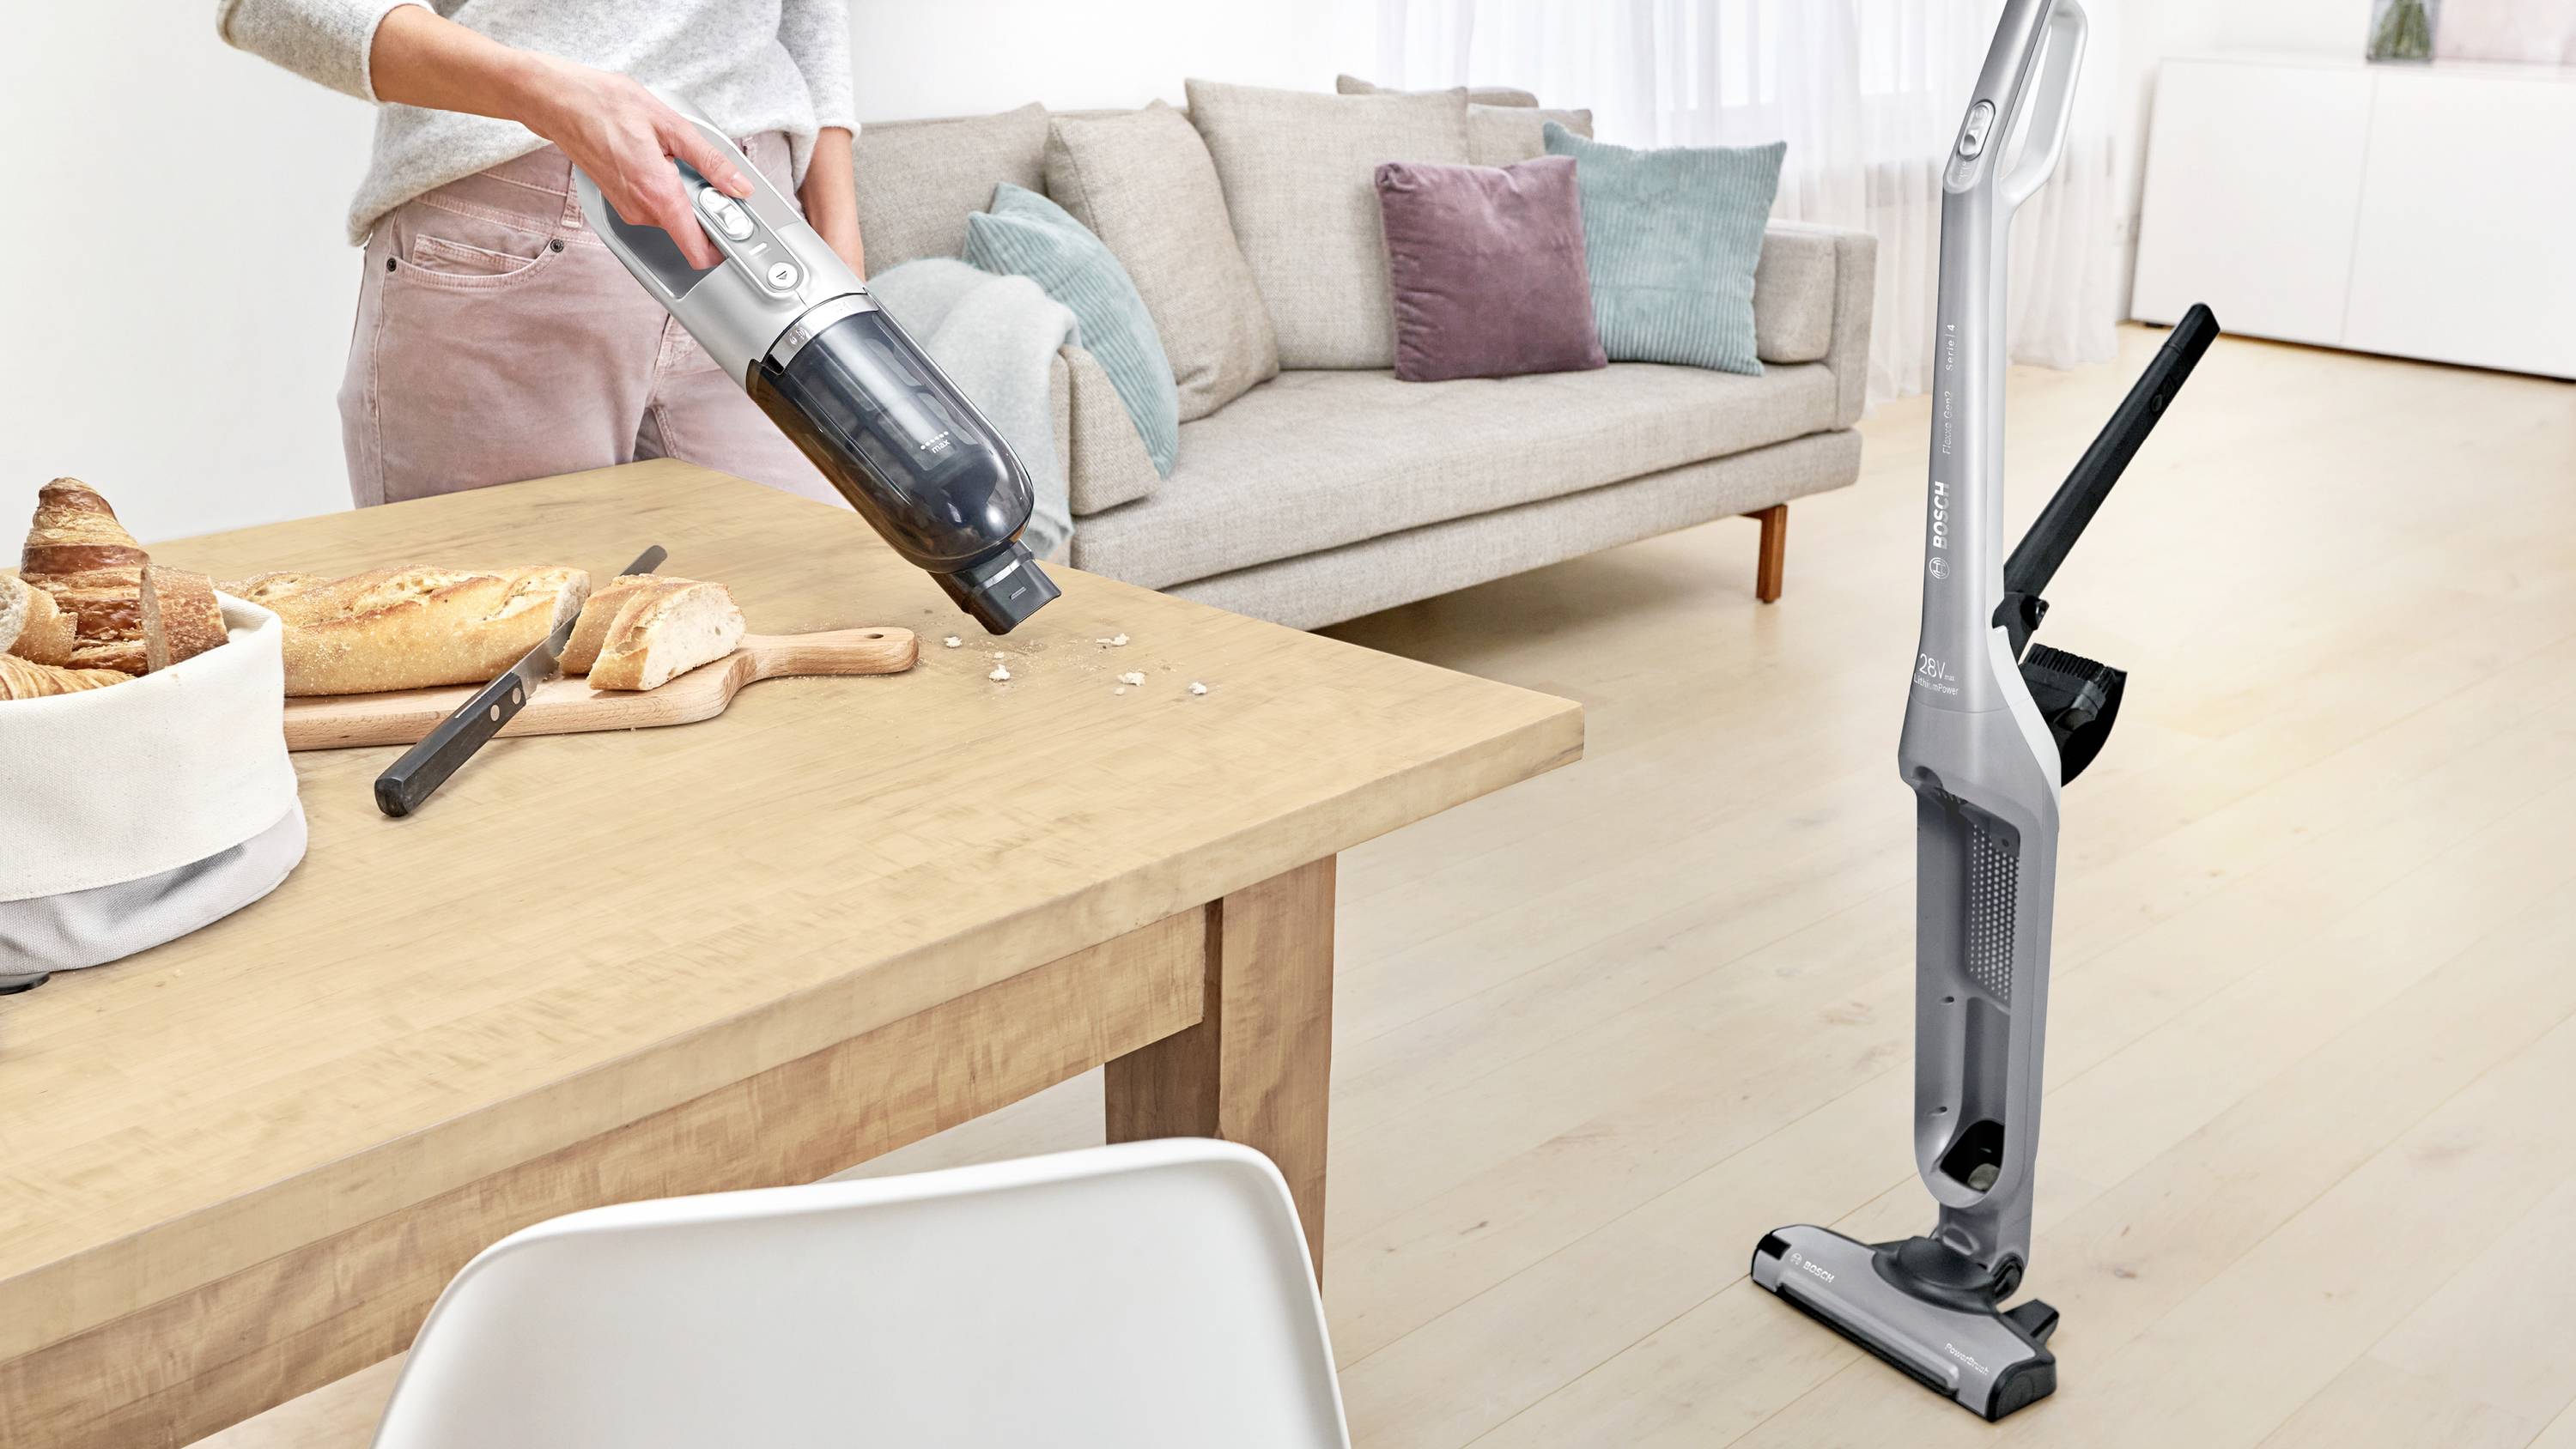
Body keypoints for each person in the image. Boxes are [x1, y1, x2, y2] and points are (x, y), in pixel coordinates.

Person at [218, 0, 860, 508]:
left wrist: (840, 256)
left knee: (807, 618)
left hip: (763, 248)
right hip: (520, 223)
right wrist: (545, 93)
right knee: (498, 624)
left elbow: (812, 16)